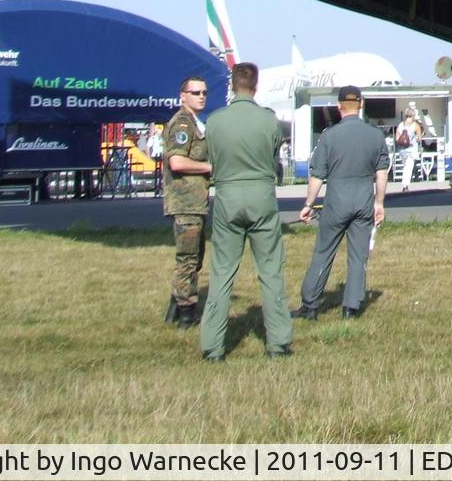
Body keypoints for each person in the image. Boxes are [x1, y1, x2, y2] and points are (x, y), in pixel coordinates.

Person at [199, 62, 293, 361]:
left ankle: (213, 346)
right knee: (270, 270)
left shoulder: (215, 121)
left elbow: (211, 155)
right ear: (255, 86)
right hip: (262, 197)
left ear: (232, 85)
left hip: (227, 195)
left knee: (222, 272)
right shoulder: (268, 120)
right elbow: (275, 153)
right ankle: (278, 343)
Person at [296, 86, 389, 320]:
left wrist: (308, 203)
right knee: (358, 256)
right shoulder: (375, 136)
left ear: (338, 107)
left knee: (324, 251)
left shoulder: (329, 135)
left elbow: (317, 175)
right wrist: (379, 202)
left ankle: (310, 305)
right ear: (361, 105)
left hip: (336, 198)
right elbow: (382, 172)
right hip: (363, 198)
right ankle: (351, 307)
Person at [161, 76, 212, 329]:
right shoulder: (182, 124)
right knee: (188, 260)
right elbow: (177, 162)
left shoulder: (194, 122)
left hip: (195, 202)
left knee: (195, 258)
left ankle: (175, 308)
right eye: (195, 92)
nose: (201, 96)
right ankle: (186, 315)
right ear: (183, 95)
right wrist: (209, 167)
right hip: (185, 202)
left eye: (204, 92)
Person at [394, 105, 423, 192]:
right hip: (411, 149)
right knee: (408, 167)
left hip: (402, 149)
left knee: (405, 166)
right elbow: (419, 138)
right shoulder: (415, 125)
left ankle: (405, 183)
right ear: (413, 116)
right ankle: (405, 185)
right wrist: (420, 136)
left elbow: (397, 139)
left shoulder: (400, 125)